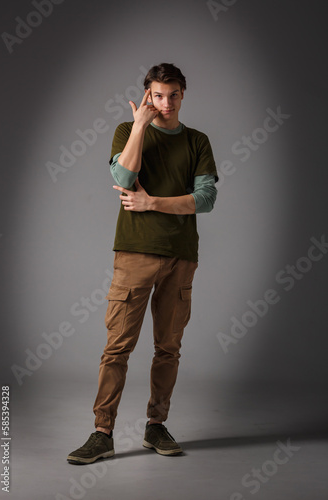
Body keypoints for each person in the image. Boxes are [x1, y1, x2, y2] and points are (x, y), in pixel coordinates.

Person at [67, 63, 218, 464]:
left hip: (182, 257)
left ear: (183, 95)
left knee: (168, 347)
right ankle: (103, 433)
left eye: (173, 95)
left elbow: (205, 199)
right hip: (134, 253)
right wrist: (138, 127)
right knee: (117, 347)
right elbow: (122, 173)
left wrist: (152, 203)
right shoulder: (126, 130)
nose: (165, 103)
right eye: (157, 95)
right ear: (147, 95)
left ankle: (156, 425)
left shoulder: (198, 141)